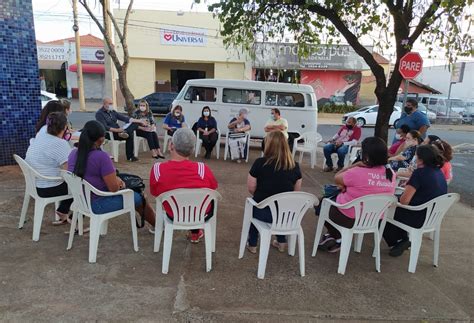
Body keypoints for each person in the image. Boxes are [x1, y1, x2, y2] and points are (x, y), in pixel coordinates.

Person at [316, 137, 396, 253]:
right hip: (374, 219)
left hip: (350, 218)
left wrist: (354, 165)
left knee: (321, 203)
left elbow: (337, 177)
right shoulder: (391, 174)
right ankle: (335, 235)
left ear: (366, 155)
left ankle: (338, 237)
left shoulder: (357, 172)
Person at [68, 120, 156, 224]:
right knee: (140, 197)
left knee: (135, 196)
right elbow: (113, 188)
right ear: (101, 139)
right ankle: (159, 225)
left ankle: (157, 223)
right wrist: (120, 183)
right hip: (98, 203)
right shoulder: (101, 157)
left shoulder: (73, 154)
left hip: (81, 201)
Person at [149, 128, 218, 243]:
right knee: (201, 199)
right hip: (199, 215)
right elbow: (213, 188)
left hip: (173, 214)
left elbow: (155, 193)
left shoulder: (157, 169)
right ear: (192, 150)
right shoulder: (202, 169)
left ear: (171, 146)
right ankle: (195, 232)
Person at [383, 145, 447, 257]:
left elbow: (404, 201)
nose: (414, 158)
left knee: (383, 208)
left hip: (417, 216)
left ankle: (398, 241)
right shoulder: (438, 172)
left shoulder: (419, 173)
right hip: (432, 216)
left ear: (421, 159)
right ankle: (401, 239)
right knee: (392, 204)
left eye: (415, 156)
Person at [247, 131, 302, 254]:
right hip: (286, 216)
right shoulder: (295, 166)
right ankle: (281, 242)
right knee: (281, 206)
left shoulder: (259, 163)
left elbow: (251, 188)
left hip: (263, 214)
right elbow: (296, 192)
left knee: (255, 205)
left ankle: (253, 244)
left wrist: (264, 195)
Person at [26, 112, 73, 225]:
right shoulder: (60, 144)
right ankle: (75, 219)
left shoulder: (42, 131)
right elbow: (69, 172)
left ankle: (63, 210)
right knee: (82, 183)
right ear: (65, 127)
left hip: (35, 183)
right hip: (47, 188)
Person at [95, 97, 146, 162]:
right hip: (110, 133)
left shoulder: (112, 111)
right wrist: (117, 130)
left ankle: (130, 157)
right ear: (104, 104)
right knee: (130, 134)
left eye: (112, 103)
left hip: (120, 132)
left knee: (134, 125)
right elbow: (104, 127)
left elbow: (125, 118)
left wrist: (140, 121)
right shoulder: (99, 114)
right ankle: (130, 156)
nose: (111, 105)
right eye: (110, 103)